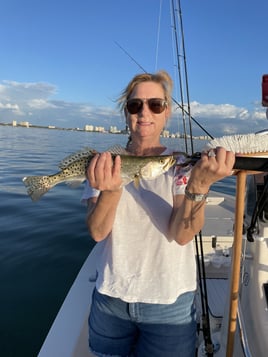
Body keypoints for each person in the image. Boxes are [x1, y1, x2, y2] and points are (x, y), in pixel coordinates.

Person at [82, 70, 235, 357]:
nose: (144, 113)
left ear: (167, 114)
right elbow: (98, 231)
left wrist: (199, 185)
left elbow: (181, 235)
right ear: (125, 112)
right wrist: (112, 190)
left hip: (169, 302)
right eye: (134, 105)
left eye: (155, 104)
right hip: (111, 296)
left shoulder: (178, 165)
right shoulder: (104, 164)